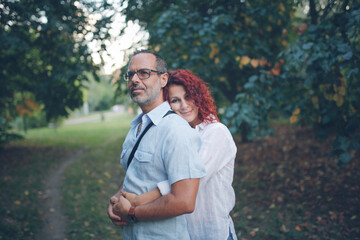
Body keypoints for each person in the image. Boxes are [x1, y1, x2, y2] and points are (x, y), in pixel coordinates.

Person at [121, 69, 238, 240]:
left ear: (199, 96)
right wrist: (120, 197)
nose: (184, 105)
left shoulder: (216, 132)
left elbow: (189, 180)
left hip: (212, 232)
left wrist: (137, 201)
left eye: (188, 97)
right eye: (175, 100)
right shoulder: (175, 135)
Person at [107, 51, 206, 240]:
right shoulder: (137, 127)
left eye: (144, 73)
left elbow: (184, 201)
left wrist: (132, 213)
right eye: (130, 75)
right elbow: (138, 176)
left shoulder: (176, 131)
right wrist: (117, 199)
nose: (134, 79)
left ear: (163, 79)